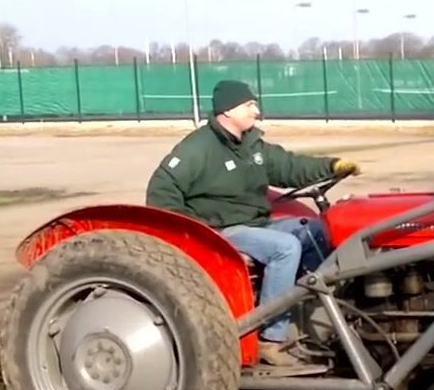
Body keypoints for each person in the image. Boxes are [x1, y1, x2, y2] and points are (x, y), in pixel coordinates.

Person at [145, 79, 359, 366]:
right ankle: (271, 339)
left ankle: (312, 315)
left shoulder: (251, 145)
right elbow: (161, 190)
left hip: (255, 223)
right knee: (285, 247)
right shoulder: (198, 149)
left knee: (315, 229)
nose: (256, 110)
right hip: (222, 230)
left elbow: (290, 167)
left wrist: (332, 166)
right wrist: (198, 234)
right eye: (249, 105)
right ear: (228, 110)